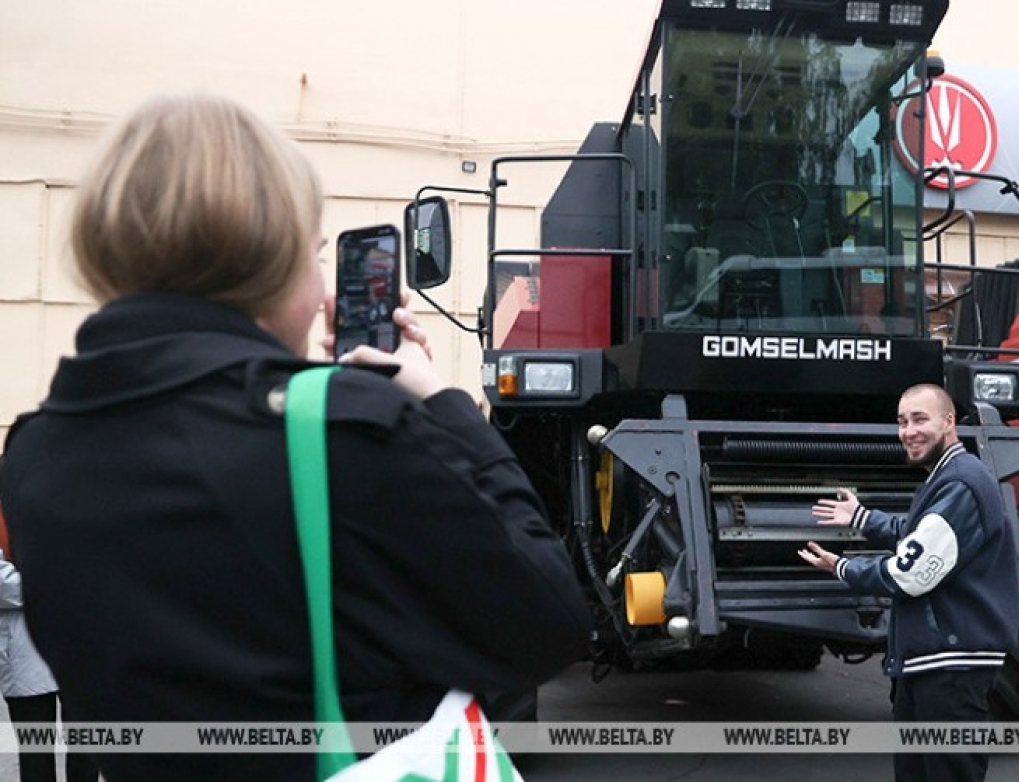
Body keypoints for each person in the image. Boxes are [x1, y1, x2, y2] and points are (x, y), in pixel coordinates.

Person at [0, 92, 593, 781]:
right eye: (313, 255)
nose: (320, 291)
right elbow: (547, 622)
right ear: (261, 258)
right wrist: (439, 399)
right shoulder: (342, 431)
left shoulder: (37, 451)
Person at [798, 383, 1019, 782]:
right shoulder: (948, 478)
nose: (908, 431)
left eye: (920, 419)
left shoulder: (960, 485)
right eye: (902, 422)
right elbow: (917, 537)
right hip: (934, 666)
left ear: (949, 421)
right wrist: (863, 518)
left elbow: (910, 573)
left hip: (950, 670)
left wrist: (842, 568)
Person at [1, 529, 99, 782]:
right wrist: (63, 584)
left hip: (79, 643)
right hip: (25, 648)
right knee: (36, 751)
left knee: (86, 749)